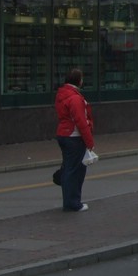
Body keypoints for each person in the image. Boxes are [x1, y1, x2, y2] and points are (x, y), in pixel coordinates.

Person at [55, 68, 95, 212]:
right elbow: (81, 121)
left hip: (63, 134)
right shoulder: (75, 98)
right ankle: (73, 203)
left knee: (68, 169)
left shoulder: (62, 94)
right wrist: (90, 142)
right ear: (78, 80)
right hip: (74, 136)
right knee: (76, 171)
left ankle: (69, 201)